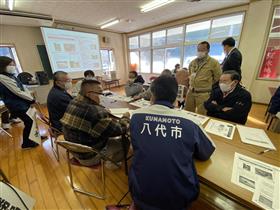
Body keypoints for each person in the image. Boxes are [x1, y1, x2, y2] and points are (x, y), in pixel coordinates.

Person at [129, 75, 215, 210]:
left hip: (141, 193)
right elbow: (206, 153)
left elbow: (135, 147)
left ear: (152, 94)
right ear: (176, 98)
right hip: (178, 200)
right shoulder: (190, 122)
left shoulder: (135, 116)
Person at [61, 79, 130, 167]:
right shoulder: (95, 112)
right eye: (100, 93)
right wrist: (125, 117)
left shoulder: (73, 101)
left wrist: (101, 110)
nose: (102, 96)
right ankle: (112, 164)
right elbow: (120, 130)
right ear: (89, 94)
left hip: (74, 150)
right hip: (89, 156)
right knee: (125, 142)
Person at [0, 56, 37, 149]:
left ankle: (35, 137)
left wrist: (30, 97)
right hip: (16, 105)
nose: (13, 66)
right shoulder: (2, 77)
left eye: (13, 64)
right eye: (10, 64)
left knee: (32, 119)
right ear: (3, 66)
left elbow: (23, 88)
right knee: (29, 121)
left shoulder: (11, 76)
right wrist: (31, 99)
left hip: (22, 103)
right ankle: (26, 143)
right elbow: (17, 91)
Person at [185, 41, 221, 115]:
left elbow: (217, 78)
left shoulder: (214, 63)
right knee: (187, 113)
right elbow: (190, 74)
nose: (199, 52)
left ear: (208, 50)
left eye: (202, 50)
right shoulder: (192, 62)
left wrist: (207, 86)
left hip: (204, 94)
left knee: (203, 115)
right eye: (198, 50)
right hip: (191, 92)